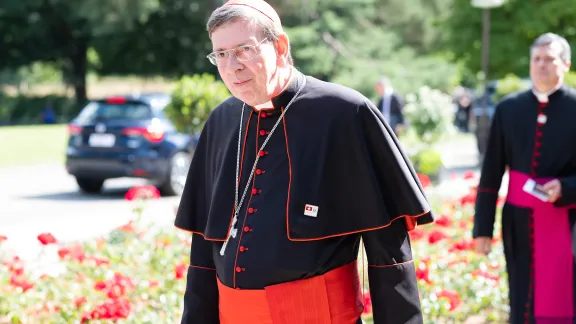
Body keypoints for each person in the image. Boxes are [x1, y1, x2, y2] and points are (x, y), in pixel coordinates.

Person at [174, 1, 434, 323]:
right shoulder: (223, 119)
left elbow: (389, 252)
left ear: (280, 46)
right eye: (222, 54)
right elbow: (204, 246)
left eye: (244, 50)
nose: (232, 66)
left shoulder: (344, 113)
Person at [473, 32, 576, 324]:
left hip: (566, 220)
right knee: (522, 293)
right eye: (537, 59)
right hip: (518, 220)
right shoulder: (508, 109)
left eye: (550, 59)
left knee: (564, 293)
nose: (542, 65)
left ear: (565, 64)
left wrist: (567, 187)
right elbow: (491, 171)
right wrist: (483, 227)